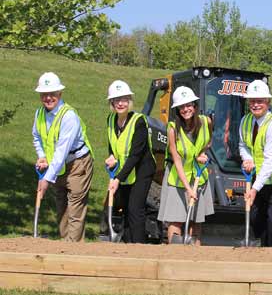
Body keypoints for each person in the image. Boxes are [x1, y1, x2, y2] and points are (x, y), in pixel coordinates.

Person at [32, 72, 94, 241]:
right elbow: (37, 137)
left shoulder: (69, 117)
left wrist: (46, 180)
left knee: (75, 209)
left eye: (52, 94)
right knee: (62, 208)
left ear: (60, 94)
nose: (48, 98)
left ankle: (73, 251)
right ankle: (63, 247)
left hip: (77, 164)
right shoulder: (39, 114)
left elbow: (61, 152)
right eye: (44, 94)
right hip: (57, 165)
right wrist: (42, 156)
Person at [239, 80, 272, 247]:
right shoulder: (245, 121)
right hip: (259, 173)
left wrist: (255, 189)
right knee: (256, 215)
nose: (256, 105)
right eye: (252, 101)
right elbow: (243, 145)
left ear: (268, 102)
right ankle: (262, 248)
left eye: (260, 101)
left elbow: (270, 160)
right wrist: (247, 159)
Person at [158, 86, 213, 245]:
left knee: (196, 223)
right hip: (177, 179)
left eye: (189, 105)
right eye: (181, 107)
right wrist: (188, 189)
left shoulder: (206, 122)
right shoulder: (173, 129)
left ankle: (194, 257)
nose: (186, 109)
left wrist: (203, 153)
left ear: (195, 106)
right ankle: (174, 256)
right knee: (176, 221)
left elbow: (208, 142)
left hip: (198, 177)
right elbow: (176, 159)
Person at [105, 80, 157, 243]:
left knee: (136, 209)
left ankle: (139, 246)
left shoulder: (139, 121)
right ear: (111, 102)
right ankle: (128, 244)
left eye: (124, 99)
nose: (120, 103)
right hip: (125, 169)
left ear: (129, 100)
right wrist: (112, 156)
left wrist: (118, 178)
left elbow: (135, 154)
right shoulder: (110, 120)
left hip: (142, 169)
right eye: (117, 100)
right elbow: (113, 143)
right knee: (125, 208)